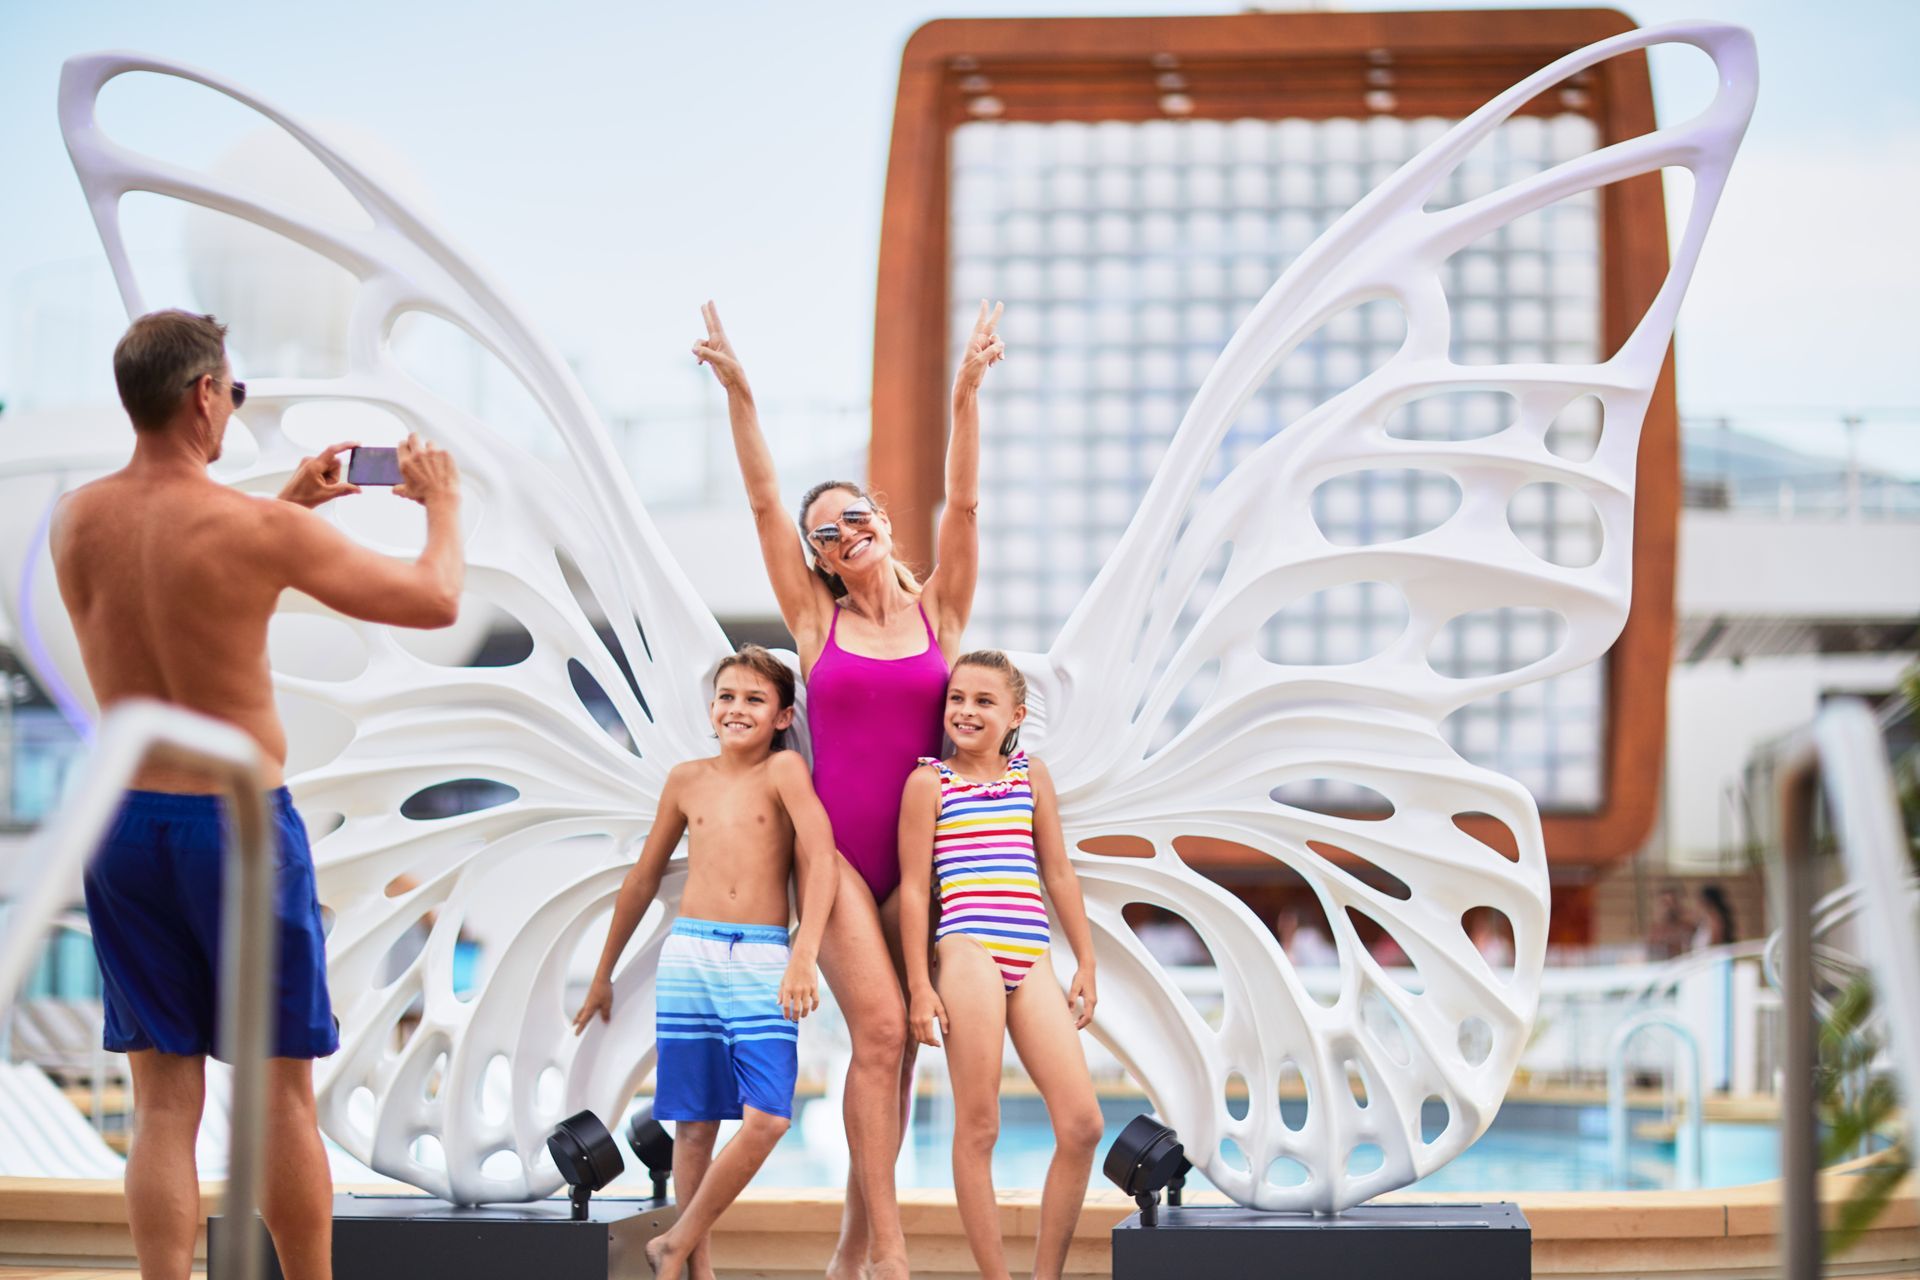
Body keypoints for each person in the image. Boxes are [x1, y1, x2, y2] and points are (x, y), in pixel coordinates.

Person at [50, 309, 464, 1280]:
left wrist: (289, 505)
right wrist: (442, 504)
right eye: (230, 392)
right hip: (233, 824)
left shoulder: (81, 518)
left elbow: (184, 578)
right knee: (277, 1093)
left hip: (122, 823)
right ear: (203, 394)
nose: (230, 406)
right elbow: (436, 597)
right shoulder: (253, 529)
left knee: (161, 1099)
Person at [695, 297, 1002, 1279]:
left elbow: (967, 504)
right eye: (827, 532)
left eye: (856, 517)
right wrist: (741, 394)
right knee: (876, 1029)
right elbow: (756, 498)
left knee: (900, 1053)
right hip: (833, 860)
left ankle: (848, 1251)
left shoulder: (940, 610)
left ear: (882, 523)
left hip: (923, 862)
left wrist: (965, 392)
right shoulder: (817, 624)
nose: (844, 534)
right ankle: (893, 1258)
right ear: (820, 558)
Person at [571, 645, 839, 1280]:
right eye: (727, 697)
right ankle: (695, 1268)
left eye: (754, 699)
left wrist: (804, 954)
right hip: (689, 954)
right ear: (711, 708)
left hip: (763, 956)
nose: (737, 709)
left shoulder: (785, 773)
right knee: (693, 1126)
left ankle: (677, 1238)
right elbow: (644, 878)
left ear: (781, 716)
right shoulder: (686, 778)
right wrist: (604, 972)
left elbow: (823, 861)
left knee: (769, 1117)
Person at [899, 651, 1103, 1280]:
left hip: (1032, 955)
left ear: (1015, 715)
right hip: (967, 952)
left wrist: (1086, 961)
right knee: (980, 1125)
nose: (965, 711)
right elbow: (913, 890)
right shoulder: (929, 781)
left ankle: (1046, 1275)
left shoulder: (1029, 775)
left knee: (1083, 1124)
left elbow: (1058, 872)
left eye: (983, 702)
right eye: (957, 698)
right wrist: (917, 988)